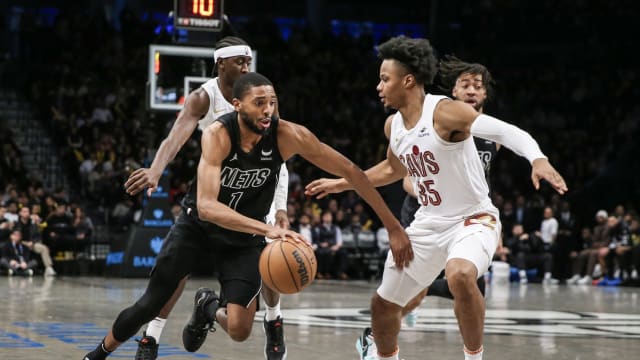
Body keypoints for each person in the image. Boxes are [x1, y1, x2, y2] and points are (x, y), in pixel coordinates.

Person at [82, 72, 409, 360]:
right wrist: (267, 229)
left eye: (272, 102)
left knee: (239, 329)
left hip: (241, 240)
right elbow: (208, 206)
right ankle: (98, 354)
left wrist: (392, 226)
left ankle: (207, 307)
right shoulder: (217, 135)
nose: (268, 109)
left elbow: (351, 170)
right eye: (259, 102)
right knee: (149, 304)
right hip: (198, 226)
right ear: (237, 104)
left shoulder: (289, 135)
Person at [305, 36, 567, 360]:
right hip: (428, 222)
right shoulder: (394, 126)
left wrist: (537, 158)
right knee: (383, 306)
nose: (379, 86)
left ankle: (474, 357)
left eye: (385, 79)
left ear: (408, 80)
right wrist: (341, 184)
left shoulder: (444, 112)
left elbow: (507, 132)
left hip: (473, 219)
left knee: (459, 274)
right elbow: (391, 168)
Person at [120, 36, 291, 360]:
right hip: (216, 187)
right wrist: (156, 170)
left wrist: (280, 206)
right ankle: (152, 336)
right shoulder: (204, 97)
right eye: (239, 62)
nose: (245, 67)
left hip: (255, 185)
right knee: (179, 268)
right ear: (220, 64)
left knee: (273, 257)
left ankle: (273, 321)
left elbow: (278, 158)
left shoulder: (261, 98)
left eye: (248, 61)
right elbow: (176, 136)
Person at [399, 55, 499, 326]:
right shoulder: (436, 124)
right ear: (453, 91)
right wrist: (433, 192)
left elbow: (484, 184)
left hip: (468, 216)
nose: (471, 90)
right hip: (424, 212)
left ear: (484, 93)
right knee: (415, 290)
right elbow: (408, 179)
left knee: (475, 289)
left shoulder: (491, 136)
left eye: (477, 85)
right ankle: (375, 335)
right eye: (464, 84)